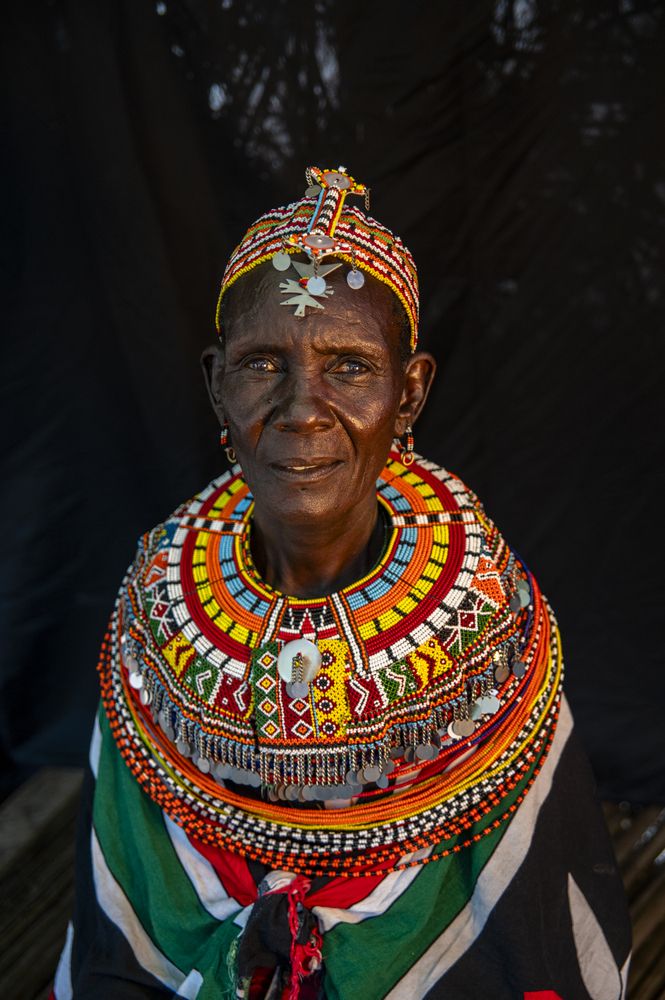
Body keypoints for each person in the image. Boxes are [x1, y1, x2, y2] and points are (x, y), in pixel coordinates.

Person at [54, 166, 631, 1000]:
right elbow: (129, 900)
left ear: (411, 392)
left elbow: (518, 923)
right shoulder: (157, 603)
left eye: (350, 367)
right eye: (261, 364)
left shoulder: (480, 614)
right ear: (216, 383)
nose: (301, 408)